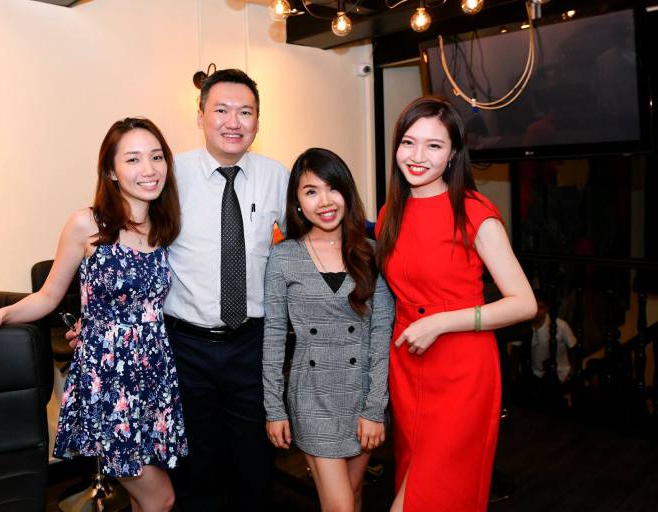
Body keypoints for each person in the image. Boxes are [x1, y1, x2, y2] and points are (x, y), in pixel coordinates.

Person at [0, 117, 187, 512]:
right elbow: (48, 295)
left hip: (154, 375)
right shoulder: (88, 223)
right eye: (133, 159)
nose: (149, 169)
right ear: (111, 171)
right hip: (109, 379)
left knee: (142, 498)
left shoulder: (165, 227)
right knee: (161, 497)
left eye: (156, 157)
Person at [375, 96, 536, 512]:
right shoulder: (391, 212)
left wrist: (440, 322)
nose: (417, 156)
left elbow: (524, 304)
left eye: (434, 145)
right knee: (414, 478)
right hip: (407, 368)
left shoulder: (474, 212)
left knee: (426, 496)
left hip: (462, 371)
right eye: (409, 142)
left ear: (452, 155)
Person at [164, 68, 289, 511]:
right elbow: (133, 247)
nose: (233, 122)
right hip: (185, 346)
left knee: (254, 465)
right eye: (221, 110)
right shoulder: (170, 175)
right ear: (200, 116)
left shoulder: (277, 176)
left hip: (252, 346)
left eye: (245, 112)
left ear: (258, 121)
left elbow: (308, 244)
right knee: (193, 467)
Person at [263, 148, 394, 512]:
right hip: (312, 397)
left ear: (347, 191)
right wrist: (274, 409)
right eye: (311, 191)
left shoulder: (372, 252)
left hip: (362, 394)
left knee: (353, 494)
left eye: (332, 188)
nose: (324, 201)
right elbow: (273, 337)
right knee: (340, 506)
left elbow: (380, 336)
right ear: (297, 202)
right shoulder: (284, 256)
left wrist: (374, 409)